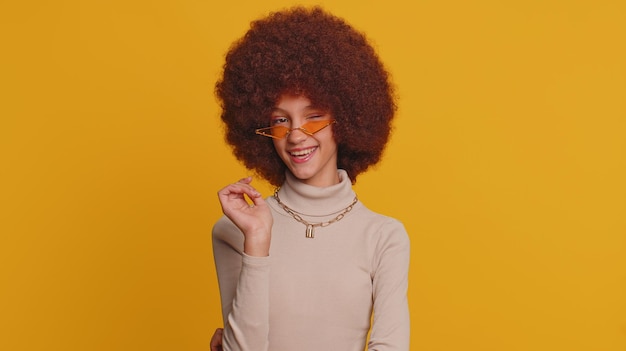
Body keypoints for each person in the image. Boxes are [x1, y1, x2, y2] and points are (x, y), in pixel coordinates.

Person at [211, 6, 410, 351]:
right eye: (281, 120)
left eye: (314, 116)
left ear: (344, 119)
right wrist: (257, 240)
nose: (297, 135)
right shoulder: (234, 231)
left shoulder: (383, 237)